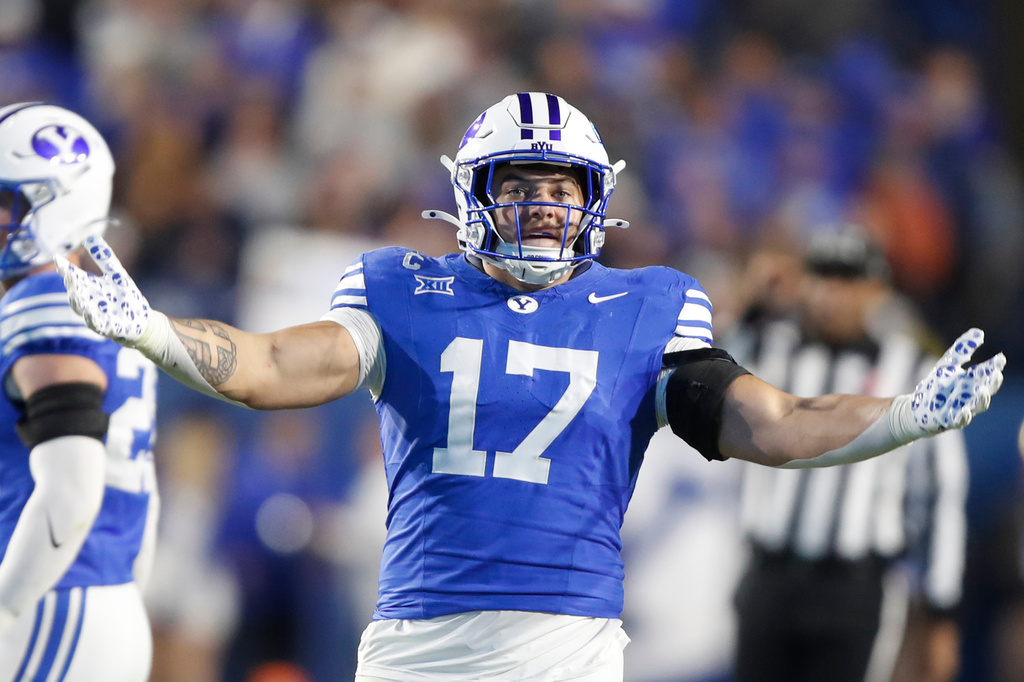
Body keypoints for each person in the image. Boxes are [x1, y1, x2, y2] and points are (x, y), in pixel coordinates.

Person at [55, 92, 1005, 681]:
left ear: (595, 200)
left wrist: (903, 420)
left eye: (562, 187)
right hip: (416, 637)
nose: (544, 204)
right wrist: (150, 329)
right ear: (475, 194)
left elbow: (776, 421)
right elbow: (265, 367)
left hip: (567, 643)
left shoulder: (652, 303)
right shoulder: (399, 288)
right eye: (522, 183)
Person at [724, 227, 968, 682]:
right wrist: (754, 302)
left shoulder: (913, 369)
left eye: (848, 279)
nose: (831, 294)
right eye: (822, 276)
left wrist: (940, 609)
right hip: (768, 574)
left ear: (876, 289)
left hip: (855, 588)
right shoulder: (768, 347)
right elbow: (707, 374)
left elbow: (940, 495)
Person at [0, 103, 160, 680]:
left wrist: (6, 608)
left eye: (4, 202)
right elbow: (144, 494)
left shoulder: (41, 301)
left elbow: (71, 488)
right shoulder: (108, 305)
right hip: (99, 595)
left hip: (49, 595)